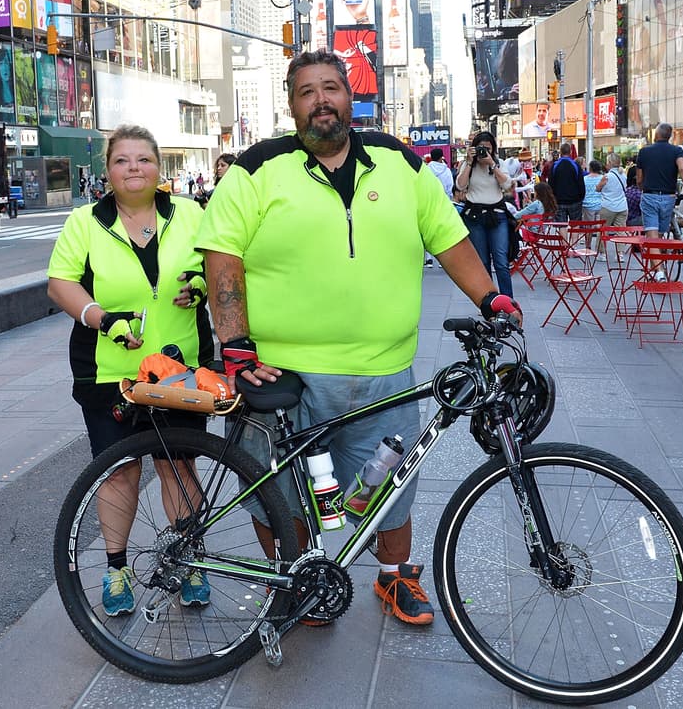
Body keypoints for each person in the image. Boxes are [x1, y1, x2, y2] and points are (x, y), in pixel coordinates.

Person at [197, 50, 521, 627]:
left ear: (351, 97)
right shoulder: (255, 167)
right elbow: (222, 253)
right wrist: (236, 344)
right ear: (291, 105)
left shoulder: (400, 162)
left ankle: (395, 579)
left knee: (390, 490)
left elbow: (448, 238)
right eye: (306, 91)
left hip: (384, 371)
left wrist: (489, 298)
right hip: (282, 373)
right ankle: (292, 584)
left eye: (331, 88)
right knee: (281, 496)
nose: (321, 100)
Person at [46, 125, 217, 617]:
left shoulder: (190, 213)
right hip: (108, 373)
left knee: (178, 466)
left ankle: (189, 562)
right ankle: (117, 569)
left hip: (180, 369)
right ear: (108, 170)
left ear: (159, 168)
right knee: (119, 470)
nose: (134, 168)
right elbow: (60, 285)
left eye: (143, 159)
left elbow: (218, 265)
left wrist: (202, 285)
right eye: (123, 160)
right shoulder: (85, 222)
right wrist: (102, 319)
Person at [456, 131, 516, 296]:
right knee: (482, 263)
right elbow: (460, 186)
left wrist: (492, 164)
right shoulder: (469, 165)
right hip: (475, 215)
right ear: (474, 148)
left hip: (497, 215)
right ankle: (490, 301)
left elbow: (507, 186)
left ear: (494, 149)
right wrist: (469, 162)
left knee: (501, 261)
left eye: (488, 149)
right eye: (481, 148)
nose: (484, 152)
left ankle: (508, 301)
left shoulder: (499, 163)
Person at [636, 123, 683, 279]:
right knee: (659, 236)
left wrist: (643, 187)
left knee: (653, 236)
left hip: (650, 195)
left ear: (656, 135)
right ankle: (655, 270)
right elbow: (682, 169)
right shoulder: (676, 151)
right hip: (669, 197)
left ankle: (659, 272)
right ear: (670, 136)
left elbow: (639, 178)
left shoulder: (644, 152)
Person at [547, 142, 585, 221]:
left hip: (559, 201)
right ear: (570, 152)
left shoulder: (554, 166)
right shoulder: (575, 165)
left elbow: (550, 183)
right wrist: (581, 197)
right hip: (575, 200)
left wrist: (553, 198)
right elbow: (581, 183)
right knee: (575, 224)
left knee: (561, 225)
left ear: (560, 152)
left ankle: (563, 234)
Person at [596, 154, 629, 228]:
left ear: (610, 163)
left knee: (603, 232)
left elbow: (598, 189)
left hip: (608, 207)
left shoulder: (607, 176)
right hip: (622, 207)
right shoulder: (623, 175)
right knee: (621, 232)